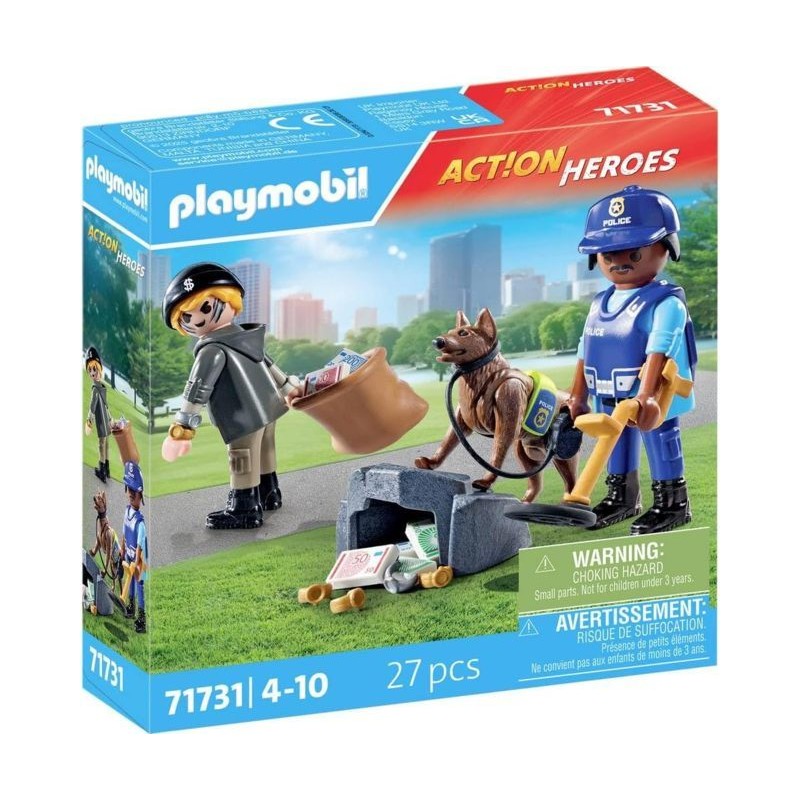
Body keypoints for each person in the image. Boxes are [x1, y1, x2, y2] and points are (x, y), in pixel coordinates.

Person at [566, 185, 696, 535]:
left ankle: (672, 502)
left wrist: (648, 395)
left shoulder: (665, 302)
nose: (618, 262)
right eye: (608, 255)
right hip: (607, 390)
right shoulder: (599, 303)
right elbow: (585, 348)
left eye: (634, 253)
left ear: (665, 247)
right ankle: (621, 497)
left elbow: (660, 348)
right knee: (615, 440)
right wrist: (577, 394)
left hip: (652, 393)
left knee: (661, 439)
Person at [161, 262, 299, 530]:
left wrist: (183, 428)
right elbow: (270, 366)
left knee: (242, 456)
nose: (196, 319)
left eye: (205, 308)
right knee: (266, 449)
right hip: (269, 408)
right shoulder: (247, 337)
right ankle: (269, 493)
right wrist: (288, 388)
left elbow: (197, 389)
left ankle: (244, 508)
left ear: (231, 302)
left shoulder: (211, 350)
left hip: (242, 415)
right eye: (186, 316)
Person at [121, 461, 148, 633]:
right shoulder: (127, 512)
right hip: (129, 555)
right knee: (129, 582)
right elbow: (124, 532)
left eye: (134, 491)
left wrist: (137, 561)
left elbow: (140, 545)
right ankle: (130, 607)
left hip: (138, 561)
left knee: (139, 586)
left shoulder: (140, 523)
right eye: (129, 490)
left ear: (140, 494)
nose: (131, 494)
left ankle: (141, 618)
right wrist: (123, 550)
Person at [84, 347, 112, 482]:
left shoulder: (96, 388)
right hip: (105, 419)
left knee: (102, 444)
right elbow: (103, 405)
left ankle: (102, 470)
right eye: (90, 370)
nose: (92, 373)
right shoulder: (102, 386)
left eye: (94, 369)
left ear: (99, 369)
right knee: (106, 443)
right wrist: (110, 418)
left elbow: (93, 406)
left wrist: (89, 419)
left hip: (102, 420)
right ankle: (107, 468)